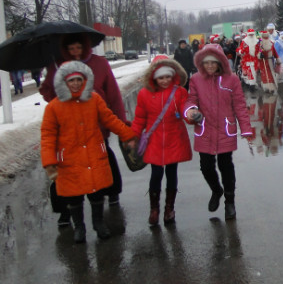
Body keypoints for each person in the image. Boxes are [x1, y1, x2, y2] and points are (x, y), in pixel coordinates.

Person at [40, 61, 137, 243]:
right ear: (64, 82)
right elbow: (47, 136)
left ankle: (98, 223)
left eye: (79, 79)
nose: (76, 84)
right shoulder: (54, 107)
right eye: (71, 80)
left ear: (85, 80)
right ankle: (79, 227)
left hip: (94, 154)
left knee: (96, 192)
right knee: (74, 196)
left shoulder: (94, 100)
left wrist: (128, 135)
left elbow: (109, 119)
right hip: (69, 160)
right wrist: (49, 161)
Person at [40, 33, 128, 211]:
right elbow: (47, 90)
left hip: (96, 121)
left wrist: (122, 122)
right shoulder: (58, 66)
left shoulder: (99, 63)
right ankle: (66, 207)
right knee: (68, 167)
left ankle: (110, 192)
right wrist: (57, 96)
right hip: (68, 125)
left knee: (102, 158)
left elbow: (113, 93)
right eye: (71, 49)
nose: (76, 52)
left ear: (85, 47)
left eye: (79, 48)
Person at [185, 43, 254, 220]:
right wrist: (191, 110)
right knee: (206, 167)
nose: (209, 66)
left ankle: (230, 201)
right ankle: (216, 190)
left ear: (220, 62)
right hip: (205, 129)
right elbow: (191, 100)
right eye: (206, 62)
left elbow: (239, 105)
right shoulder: (196, 80)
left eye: (213, 62)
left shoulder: (232, 80)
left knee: (226, 166)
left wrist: (246, 129)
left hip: (225, 128)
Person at [131, 56, 193, 226]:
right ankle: (154, 209)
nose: (165, 81)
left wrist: (191, 115)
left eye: (168, 77)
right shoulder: (144, 94)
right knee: (156, 174)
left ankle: (169, 208)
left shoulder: (179, 92)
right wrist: (133, 136)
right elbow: (140, 118)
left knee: (172, 173)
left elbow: (185, 109)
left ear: (173, 76)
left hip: (174, 138)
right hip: (155, 140)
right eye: (161, 78)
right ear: (154, 78)